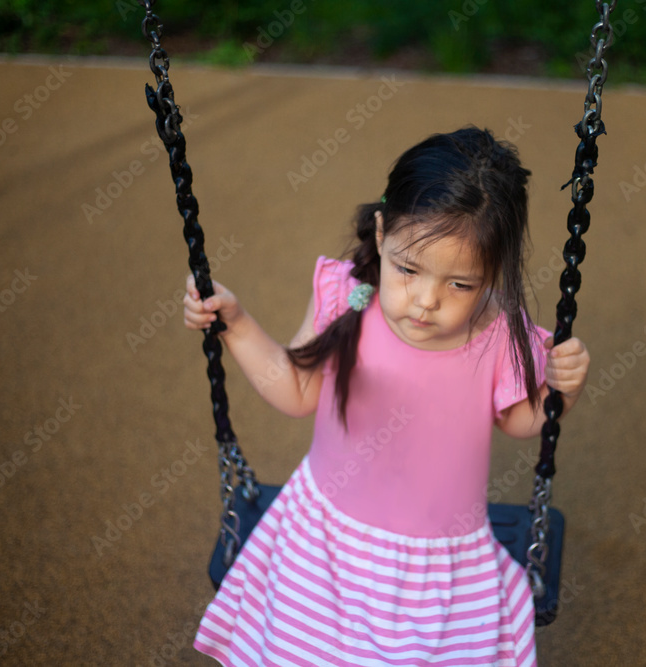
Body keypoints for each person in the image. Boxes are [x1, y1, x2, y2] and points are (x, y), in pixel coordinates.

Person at [184, 126, 590, 667]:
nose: (426, 301)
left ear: (493, 274)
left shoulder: (497, 334)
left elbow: (520, 421)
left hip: (441, 570)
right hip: (323, 546)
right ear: (381, 234)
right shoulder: (346, 295)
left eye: (460, 285)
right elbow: (297, 389)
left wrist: (563, 390)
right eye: (408, 269)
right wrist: (232, 323)